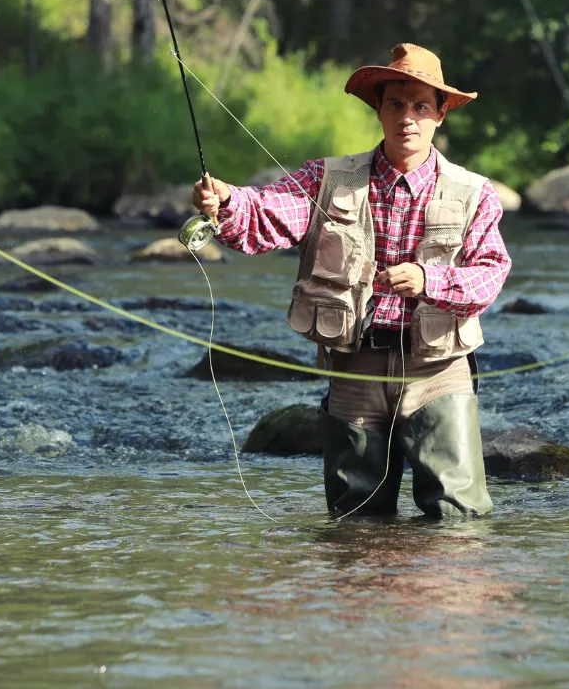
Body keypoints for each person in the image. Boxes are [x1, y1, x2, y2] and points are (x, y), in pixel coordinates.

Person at [190, 43, 512, 518]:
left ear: (440, 115)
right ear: (378, 110)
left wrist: (429, 279)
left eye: (421, 106)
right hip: (354, 371)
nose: (408, 118)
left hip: (438, 371)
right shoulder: (327, 179)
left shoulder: (475, 193)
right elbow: (266, 215)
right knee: (353, 523)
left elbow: (490, 274)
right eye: (395, 105)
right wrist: (227, 201)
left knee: (459, 521)